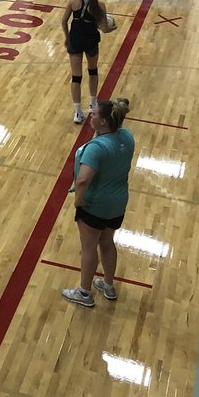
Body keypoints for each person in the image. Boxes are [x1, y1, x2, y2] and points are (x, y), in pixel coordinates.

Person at [62, 98, 135, 308]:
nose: (90, 115)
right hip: (118, 203)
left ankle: (84, 293)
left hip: (95, 205)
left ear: (103, 121)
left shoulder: (97, 148)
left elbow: (84, 178)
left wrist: (79, 199)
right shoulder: (127, 137)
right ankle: (108, 285)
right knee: (107, 243)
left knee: (88, 248)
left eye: (93, 113)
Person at [60, 0, 116, 124]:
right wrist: (114, 27)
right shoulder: (100, 5)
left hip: (75, 39)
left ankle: (77, 113)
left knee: (76, 77)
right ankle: (93, 104)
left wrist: (67, 37)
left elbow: (63, 21)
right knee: (93, 71)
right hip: (91, 40)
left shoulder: (73, 1)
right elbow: (105, 29)